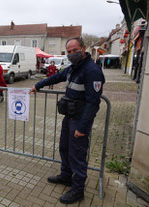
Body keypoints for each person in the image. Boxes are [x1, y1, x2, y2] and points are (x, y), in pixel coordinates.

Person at [30, 37, 105, 204]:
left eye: (74, 50)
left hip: (79, 121)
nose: (71, 54)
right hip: (69, 117)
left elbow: (93, 103)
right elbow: (56, 77)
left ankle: (78, 190)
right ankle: (66, 176)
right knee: (64, 148)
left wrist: (83, 128)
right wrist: (39, 85)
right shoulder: (73, 68)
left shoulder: (91, 71)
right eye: (69, 52)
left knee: (77, 155)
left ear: (83, 48)